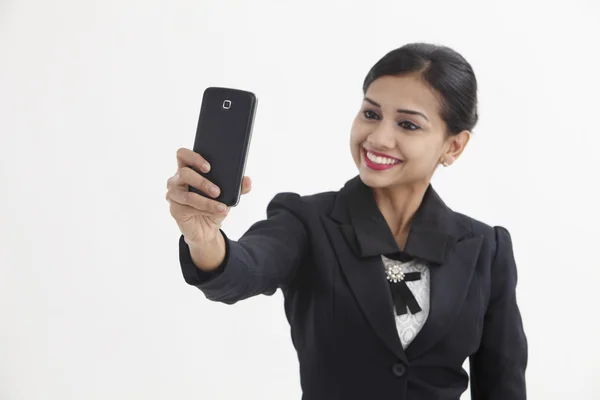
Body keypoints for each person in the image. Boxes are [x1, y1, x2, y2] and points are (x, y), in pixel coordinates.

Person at [166, 43, 528, 400]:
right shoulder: (305, 221)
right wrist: (204, 238)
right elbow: (243, 271)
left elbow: (503, 387)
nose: (379, 138)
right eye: (371, 114)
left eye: (407, 124)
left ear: (454, 146)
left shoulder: (486, 249)